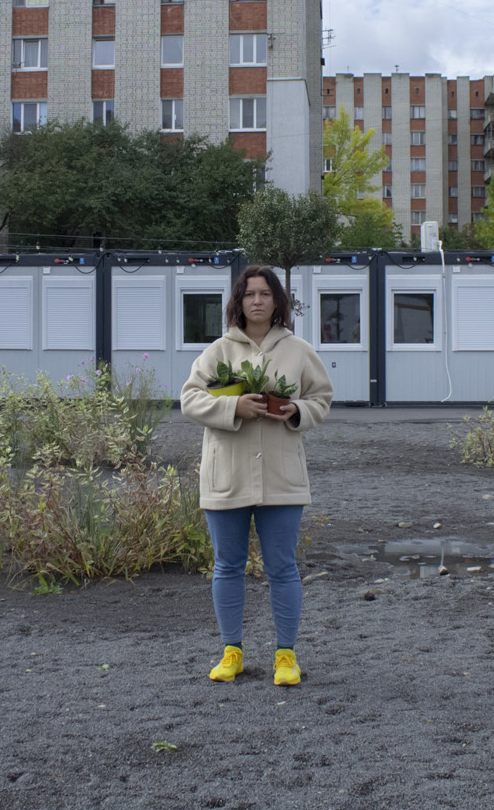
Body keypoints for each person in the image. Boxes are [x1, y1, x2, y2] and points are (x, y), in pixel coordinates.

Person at [180, 266, 333, 687]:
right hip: (227, 474)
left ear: (277, 300)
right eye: (250, 294)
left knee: (282, 566)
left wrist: (297, 410)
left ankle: (286, 656)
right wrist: (233, 408)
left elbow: (322, 398)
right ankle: (231, 652)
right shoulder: (218, 352)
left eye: (265, 294)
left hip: (281, 477)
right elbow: (189, 400)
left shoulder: (299, 350)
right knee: (227, 565)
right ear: (239, 301)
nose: (258, 301)